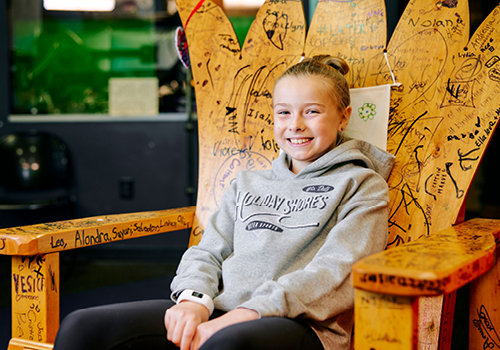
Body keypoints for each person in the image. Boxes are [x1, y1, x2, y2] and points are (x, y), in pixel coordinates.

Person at [53, 55, 395, 350]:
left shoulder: (363, 185)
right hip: (217, 312)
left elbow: (337, 274)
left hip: (299, 325)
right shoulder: (248, 183)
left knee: (226, 344)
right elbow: (209, 251)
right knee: (83, 327)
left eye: (313, 112)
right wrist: (193, 301)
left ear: (344, 116)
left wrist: (243, 316)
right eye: (284, 113)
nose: (296, 125)